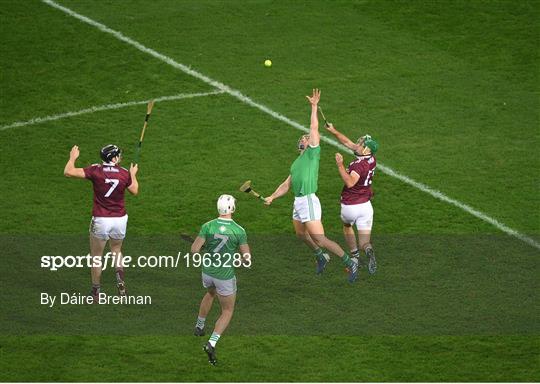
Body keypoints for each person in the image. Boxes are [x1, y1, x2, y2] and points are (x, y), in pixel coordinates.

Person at [264, 89, 358, 282]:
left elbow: (314, 128)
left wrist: (314, 106)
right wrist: (273, 196)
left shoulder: (312, 153)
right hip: (298, 201)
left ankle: (350, 263)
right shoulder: (296, 163)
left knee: (320, 238)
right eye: (302, 138)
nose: (304, 138)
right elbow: (287, 184)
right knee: (301, 234)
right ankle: (320, 256)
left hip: (307, 199)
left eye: (306, 138)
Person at [63, 144, 139, 301]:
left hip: (101, 219)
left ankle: (96, 293)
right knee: (117, 250)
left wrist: (72, 158)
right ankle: (120, 280)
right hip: (120, 219)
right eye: (118, 155)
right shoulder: (125, 173)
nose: (120, 157)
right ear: (113, 158)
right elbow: (134, 190)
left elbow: (68, 172)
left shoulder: (95, 170)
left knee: (96, 256)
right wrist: (133, 174)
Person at [191, 194, 251, 366]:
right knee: (227, 311)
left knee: (210, 293)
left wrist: (205, 248)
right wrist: (238, 260)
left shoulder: (207, 226)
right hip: (224, 276)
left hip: (207, 272)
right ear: (232, 208)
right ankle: (212, 343)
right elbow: (247, 258)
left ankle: (199, 326)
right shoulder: (238, 230)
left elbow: (194, 250)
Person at [326, 124, 378, 274]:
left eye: (362, 144)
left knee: (347, 226)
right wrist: (334, 131)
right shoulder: (371, 159)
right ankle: (368, 251)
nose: (359, 143)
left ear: (366, 150)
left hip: (351, 206)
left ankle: (354, 256)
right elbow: (349, 144)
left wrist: (340, 164)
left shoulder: (358, 165)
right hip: (366, 207)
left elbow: (349, 182)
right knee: (365, 242)